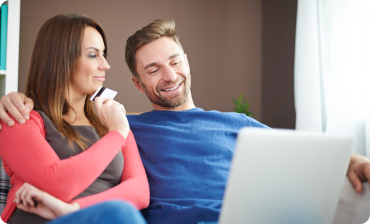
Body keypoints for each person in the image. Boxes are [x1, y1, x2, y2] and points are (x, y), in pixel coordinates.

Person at [1, 18, 370, 224]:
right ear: (137, 83)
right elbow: (59, 118)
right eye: (153, 69)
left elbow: (304, 153)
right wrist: (15, 98)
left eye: (175, 61)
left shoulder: (237, 123)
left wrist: (352, 159)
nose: (169, 74)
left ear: (187, 61)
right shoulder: (125, 125)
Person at [0, 14, 149, 224]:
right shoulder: (18, 117)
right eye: (92, 55)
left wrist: (72, 209)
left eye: (103, 54)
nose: (105, 65)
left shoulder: (112, 120)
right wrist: (116, 135)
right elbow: (56, 183)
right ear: (60, 59)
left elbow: (140, 191)